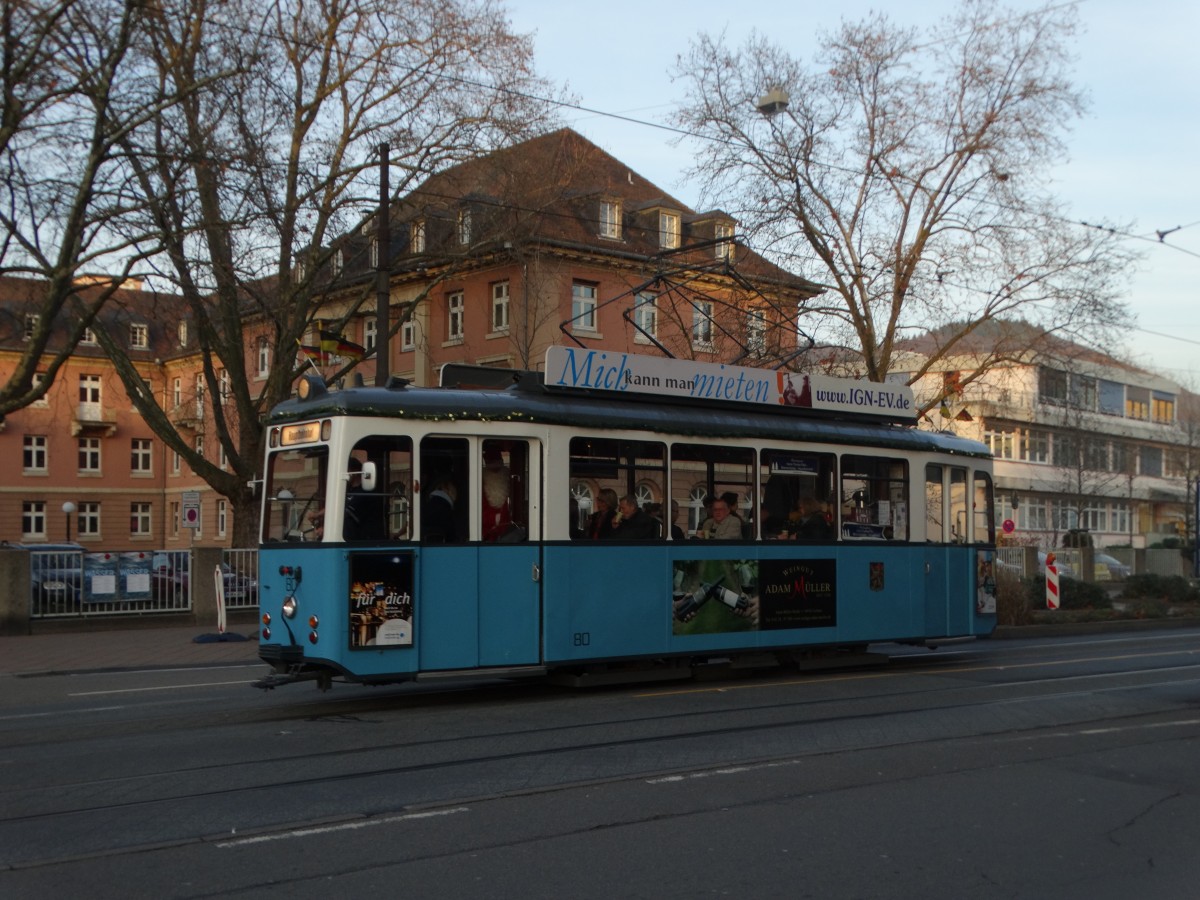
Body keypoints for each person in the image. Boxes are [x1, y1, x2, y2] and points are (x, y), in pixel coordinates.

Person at [344, 457, 386, 541]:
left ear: (355, 472)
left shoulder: (365, 492)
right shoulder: (349, 491)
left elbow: (345, 512)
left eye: (347, 471)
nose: (345, 475)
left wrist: (319, 518)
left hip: (365, 540)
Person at [481, 447, 513, 541]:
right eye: (491, 462)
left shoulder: (508, 477)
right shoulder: (481, 480)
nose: (494, 466)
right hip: (486, 530)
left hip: (507, 529)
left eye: (496, 461)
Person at [422, 477, 458, 542]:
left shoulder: (429, 505)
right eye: (453, 490)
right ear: (448, 490)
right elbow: (451, 535)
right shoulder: (445, 508)